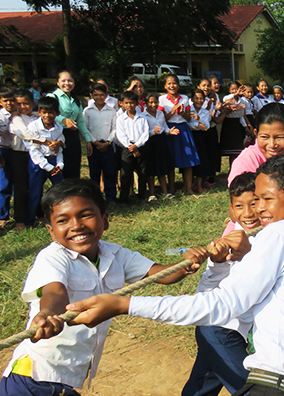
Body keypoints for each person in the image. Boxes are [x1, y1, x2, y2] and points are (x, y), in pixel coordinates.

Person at [68, 155, 284, 396]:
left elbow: (221, 305)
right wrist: (223, 264)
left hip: (278, 387)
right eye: (256, 199)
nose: (258, 209)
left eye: (266, 199)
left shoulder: (278, 235)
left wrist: (124, 305)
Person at [0, 179, 201, 396]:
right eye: (63, 220)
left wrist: (187, 265)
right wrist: (48, 314)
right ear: (51, 231)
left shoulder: (116, 254)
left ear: (105, 220)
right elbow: (54, 292)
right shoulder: (52, 258)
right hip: (34, 378)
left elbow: (159, 274)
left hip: (66, 378)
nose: (76, 225)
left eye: (85, 215)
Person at [182, 172, 259, 396]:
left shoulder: (269, 238)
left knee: (201, 385)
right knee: (249, 390)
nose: (248, 213)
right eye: (239, 206)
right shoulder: (225, 243)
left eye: (254, 204)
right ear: (230, 209)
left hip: (233, 331)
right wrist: (217, 263)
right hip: (220, 329)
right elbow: (204, 292)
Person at [222, 103, 284, 236]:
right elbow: (236, 212)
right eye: (265, 137)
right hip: (249, 234)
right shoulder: (245, 163)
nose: (272, 145)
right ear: (256, 134)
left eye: (280, 137)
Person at [24, 97, 65, 223]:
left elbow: (59, 150)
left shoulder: (58, 128)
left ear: (57, 113)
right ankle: (30, 220)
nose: (47, 115)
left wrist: (59, 164)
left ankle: (61, 217)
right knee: (35, 192)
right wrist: (48, 166)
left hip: (54, 163)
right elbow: (33, 150)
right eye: (44, 112)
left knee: (61, 192)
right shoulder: (33, 127)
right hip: (38, 164)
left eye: (51, 112)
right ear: (39, 112)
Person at [158, 74, 200, 195]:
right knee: (170, 160)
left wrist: (181, 113)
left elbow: (188, 118)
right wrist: (172, 111)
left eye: (174, 83)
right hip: (169, 129)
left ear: (178, 85)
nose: (172, 86)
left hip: (183, 128)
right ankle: (171, 188)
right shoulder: (162, 99)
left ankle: (188, 187)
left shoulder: (185, 98)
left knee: (188, 159)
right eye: (169, 84)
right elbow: (161, 118)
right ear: (165, 86)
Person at [47, 71, 91, 179]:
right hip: (57, 135)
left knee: (74, 168)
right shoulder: (52, 97)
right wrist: (64, 120)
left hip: (73, 137)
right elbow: (49, 114)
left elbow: (80, 121)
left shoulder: (76, 101)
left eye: (70, 80)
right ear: (57, 83)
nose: (67, 83)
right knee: (60, 169)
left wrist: (88, 139)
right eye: (63, 80)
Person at [83, 82, 117, 203]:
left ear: (106, 95)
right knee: (95, 173)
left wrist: (107, 142)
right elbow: (85, 128)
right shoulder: (87, 111)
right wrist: (95, 143)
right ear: (91, 95)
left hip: (107, 145)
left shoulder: (111, 111)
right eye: (96, 95)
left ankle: (111, 197)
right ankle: (96, 199)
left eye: (101, 95)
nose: (99, 97)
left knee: (110, 172)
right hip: (94, 146)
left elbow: (115, 128)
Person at [8, 90, 37, 230]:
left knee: (36, 186)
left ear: (33, 103)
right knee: (20, 187)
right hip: (20, 155)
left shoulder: (37, 117)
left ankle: (38, 214)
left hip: (36, 154)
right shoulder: (16, 118)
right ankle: (20, 220)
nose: (23, 107)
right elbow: (26, 134)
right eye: (19, 104)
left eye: (26, 103)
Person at [115, 91, 149, 203]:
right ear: (122, 104)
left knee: (142, 172)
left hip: (141, 147)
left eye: (132, 103)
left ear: (137, 103)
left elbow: (145, 133)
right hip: (127, 148)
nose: (129, 105)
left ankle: (142, 196)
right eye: (127, 103)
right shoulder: (120, 119)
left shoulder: (142, 117)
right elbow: (120, 134)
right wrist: (130, 147)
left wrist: (137, 146)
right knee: (125, 174)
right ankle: (124, 198)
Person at [143, 93, 178, 200]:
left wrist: (169, 131)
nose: (154, 105)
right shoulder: (143, 116)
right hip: (150, 143)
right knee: (151, 169)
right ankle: (152, 193)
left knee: (162, 167)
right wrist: (152, 131)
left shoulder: (160, 113)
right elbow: (142, 132)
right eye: (151, 102)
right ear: (146, 104)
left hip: (161, 142)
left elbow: (164, 127)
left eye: (156, 102)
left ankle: (165, 192)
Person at [220, 82, 251, 164]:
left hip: (238, 125)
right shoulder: (228, 99)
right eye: (232, 89)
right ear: (229, 91)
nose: (235, 91)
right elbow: (224, 99)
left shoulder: (242, 100)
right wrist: (235, 94)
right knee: (232, 151)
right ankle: (231, 170)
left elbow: (241, 116)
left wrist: (246, 127)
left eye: (236, 89)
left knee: (239, 150)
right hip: (229, 124)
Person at [189, 89, 212, 194]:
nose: (199, 100)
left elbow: (206, 126)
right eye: (196, 98)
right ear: (192, 99)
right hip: (190, 136)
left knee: (201, 159)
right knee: (191, 160)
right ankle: (190, 184)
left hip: (201, 137)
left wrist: (198, 119)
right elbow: (187, 124)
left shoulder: (205, 112)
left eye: (201, 98)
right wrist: (197, 124)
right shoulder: (188, 110)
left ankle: (199, 185)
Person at [0, 86, 16, 228]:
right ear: (1, 102)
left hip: (19, 152)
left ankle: (20, 214)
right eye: (6, 101)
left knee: (20, 184)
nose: (9, 103)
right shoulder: (0, 116)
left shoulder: (20, 114)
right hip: (4, 150)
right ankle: (3, 216)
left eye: (12, 100)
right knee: (4, 184)